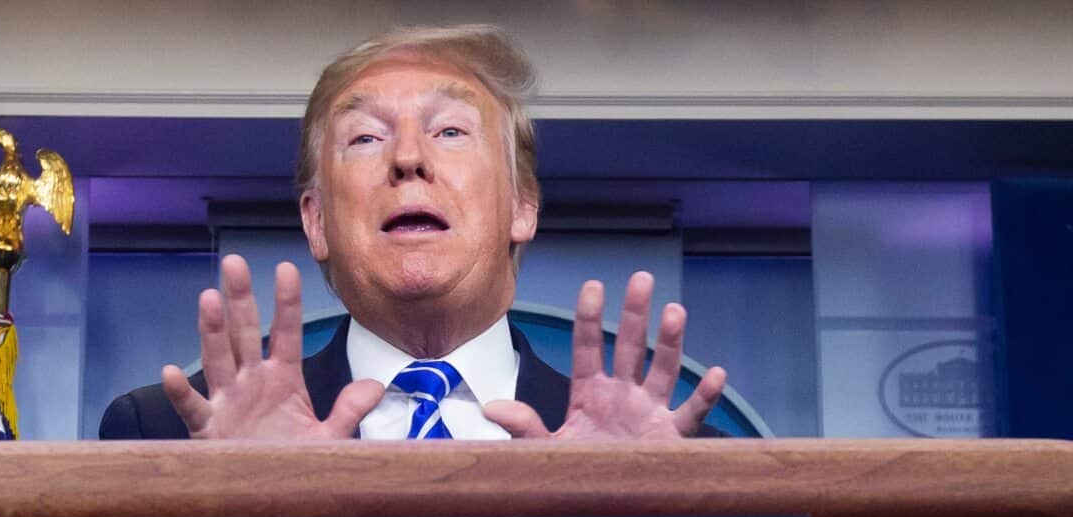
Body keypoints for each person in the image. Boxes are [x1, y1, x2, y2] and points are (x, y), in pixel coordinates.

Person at [99, 24, 726, 441]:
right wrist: (238, 507)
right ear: (316, 222)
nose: (407, 157)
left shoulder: (674, 451)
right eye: (366, 137)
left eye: (450, 131)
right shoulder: (165, 431)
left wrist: (640, 514)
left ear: (523, 206)